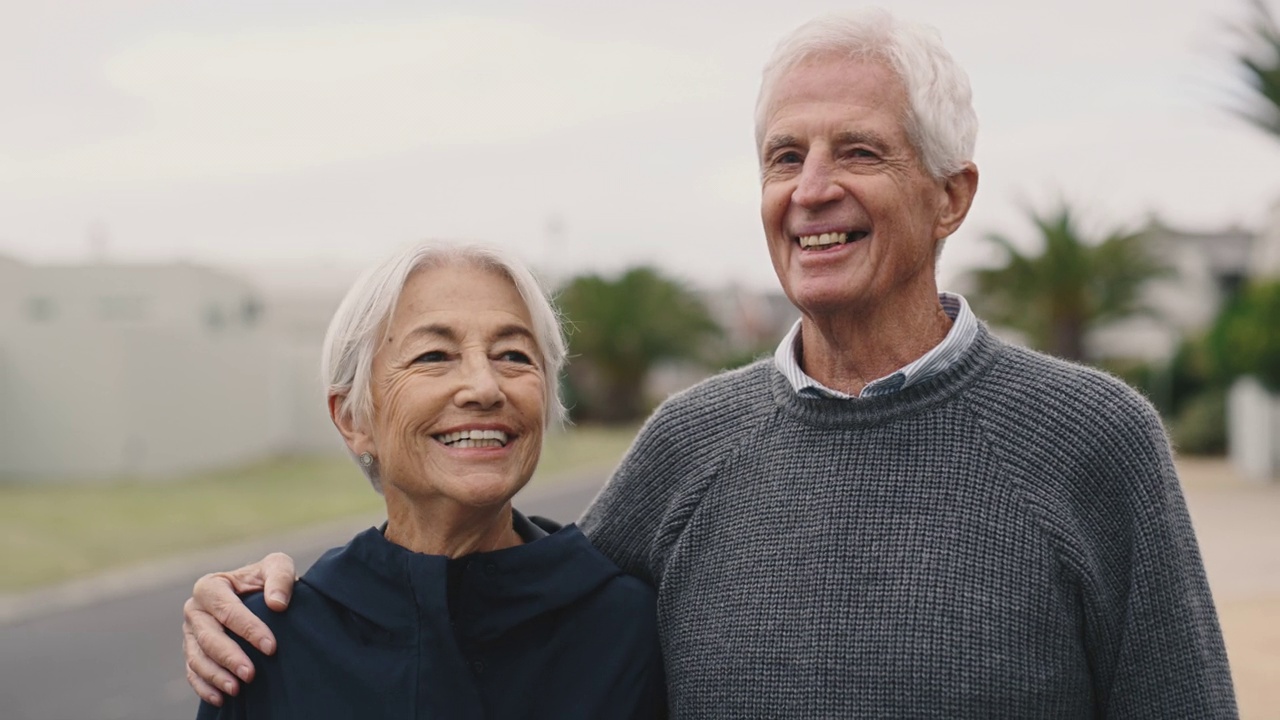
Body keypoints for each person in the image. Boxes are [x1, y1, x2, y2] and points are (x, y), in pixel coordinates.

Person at [184, 9, 1238, 717]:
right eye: (784, 157)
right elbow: (503, 601)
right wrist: (265, 597)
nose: (809, 189)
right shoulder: (689, 447)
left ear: (950, 195)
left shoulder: (1092, 440)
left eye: (856, 152)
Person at [191, 242, 665, 719]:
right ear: (354, 418)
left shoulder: (630, 628)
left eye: (514, 355)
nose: (484, 387)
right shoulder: (268, 646)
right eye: (434, 354)